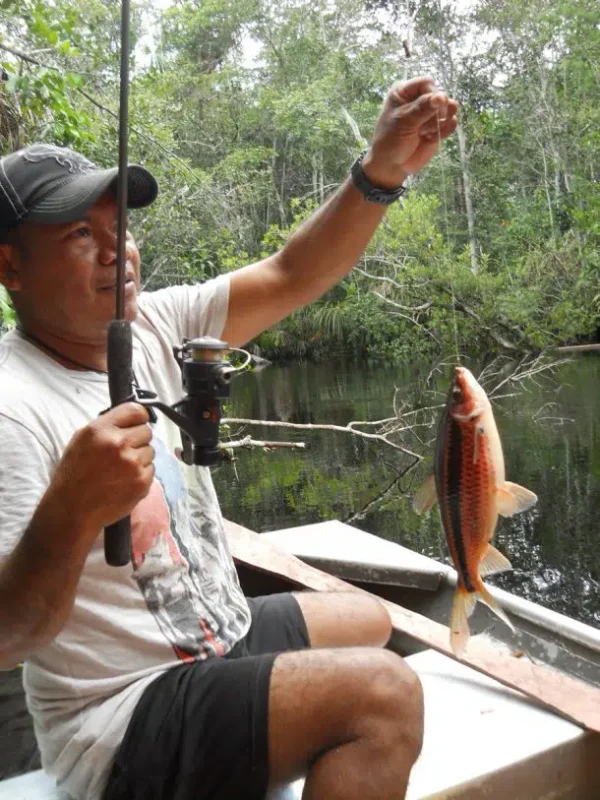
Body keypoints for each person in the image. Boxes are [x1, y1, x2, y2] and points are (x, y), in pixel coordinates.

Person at [0, 76, 458, 800]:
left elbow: (290, 272)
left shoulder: (154, 323)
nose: (116, 249)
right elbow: (9, 637)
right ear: (9, 267)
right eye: (80, 234)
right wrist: (70, 512)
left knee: (369, 619)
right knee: (384, 696)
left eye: (119, 225)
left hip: (213, 645)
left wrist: (382, 171)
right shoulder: (11, 406)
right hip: (120, 722)